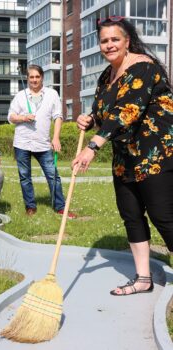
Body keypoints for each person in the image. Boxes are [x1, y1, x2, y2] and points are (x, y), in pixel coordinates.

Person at [72, 16, 173, 296]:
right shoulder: (107, 75)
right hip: (125, 158)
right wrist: (89, 119)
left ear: (127, 41)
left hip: (155, 154)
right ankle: (143, 279)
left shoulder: (143, 67)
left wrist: (92, 147)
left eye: (115, 39)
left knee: (163, 216)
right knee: (131, 215)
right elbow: (104, 111)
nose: (109, 45)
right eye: (104, 40)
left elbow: (127, 111)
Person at [8, 64, 76, 218]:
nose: (34, 80)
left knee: (53, 175)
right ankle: (30, 207)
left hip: (43, 143)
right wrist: (23, 117)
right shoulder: (20, 96)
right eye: (31, 77)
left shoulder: (52, 94)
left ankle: (60, 207)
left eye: (37, 77)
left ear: (42, 78)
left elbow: (58, 117)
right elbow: (11, 117)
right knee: (25, 177)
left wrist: (56, 137)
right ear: (27, 78)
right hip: (22, 142)